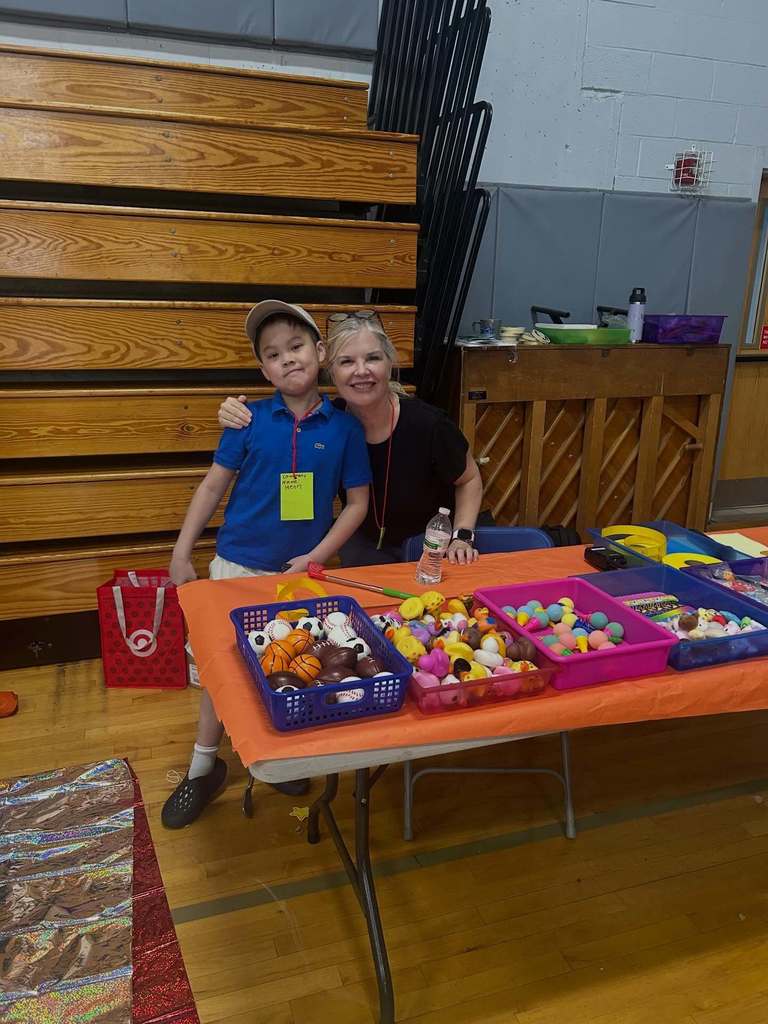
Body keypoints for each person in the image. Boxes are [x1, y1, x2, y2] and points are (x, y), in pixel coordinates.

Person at [161, 301, 371, 829]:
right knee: (220, 676)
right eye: (273, 355)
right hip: (236, 567)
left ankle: (275, 762)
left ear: (320, 353)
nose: (288, 360)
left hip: (300, 575)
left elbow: (358, 503)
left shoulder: (344, 429)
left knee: (289, 666)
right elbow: (213, 486)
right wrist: (182, 551)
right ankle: (203, 768)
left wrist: (316, 557)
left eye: (296, 347)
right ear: (263, 370)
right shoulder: (246, 418)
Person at [218, 311, 483, 567]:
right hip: (364, 546)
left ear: (389, 363)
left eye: (373, 358)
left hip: (428, 547)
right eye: (346, 362)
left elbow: (469, 479)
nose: (361, 371)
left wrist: (462, 535)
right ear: (331, 371)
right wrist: (235, 412)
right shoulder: (328, 421)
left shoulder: (429, 424)